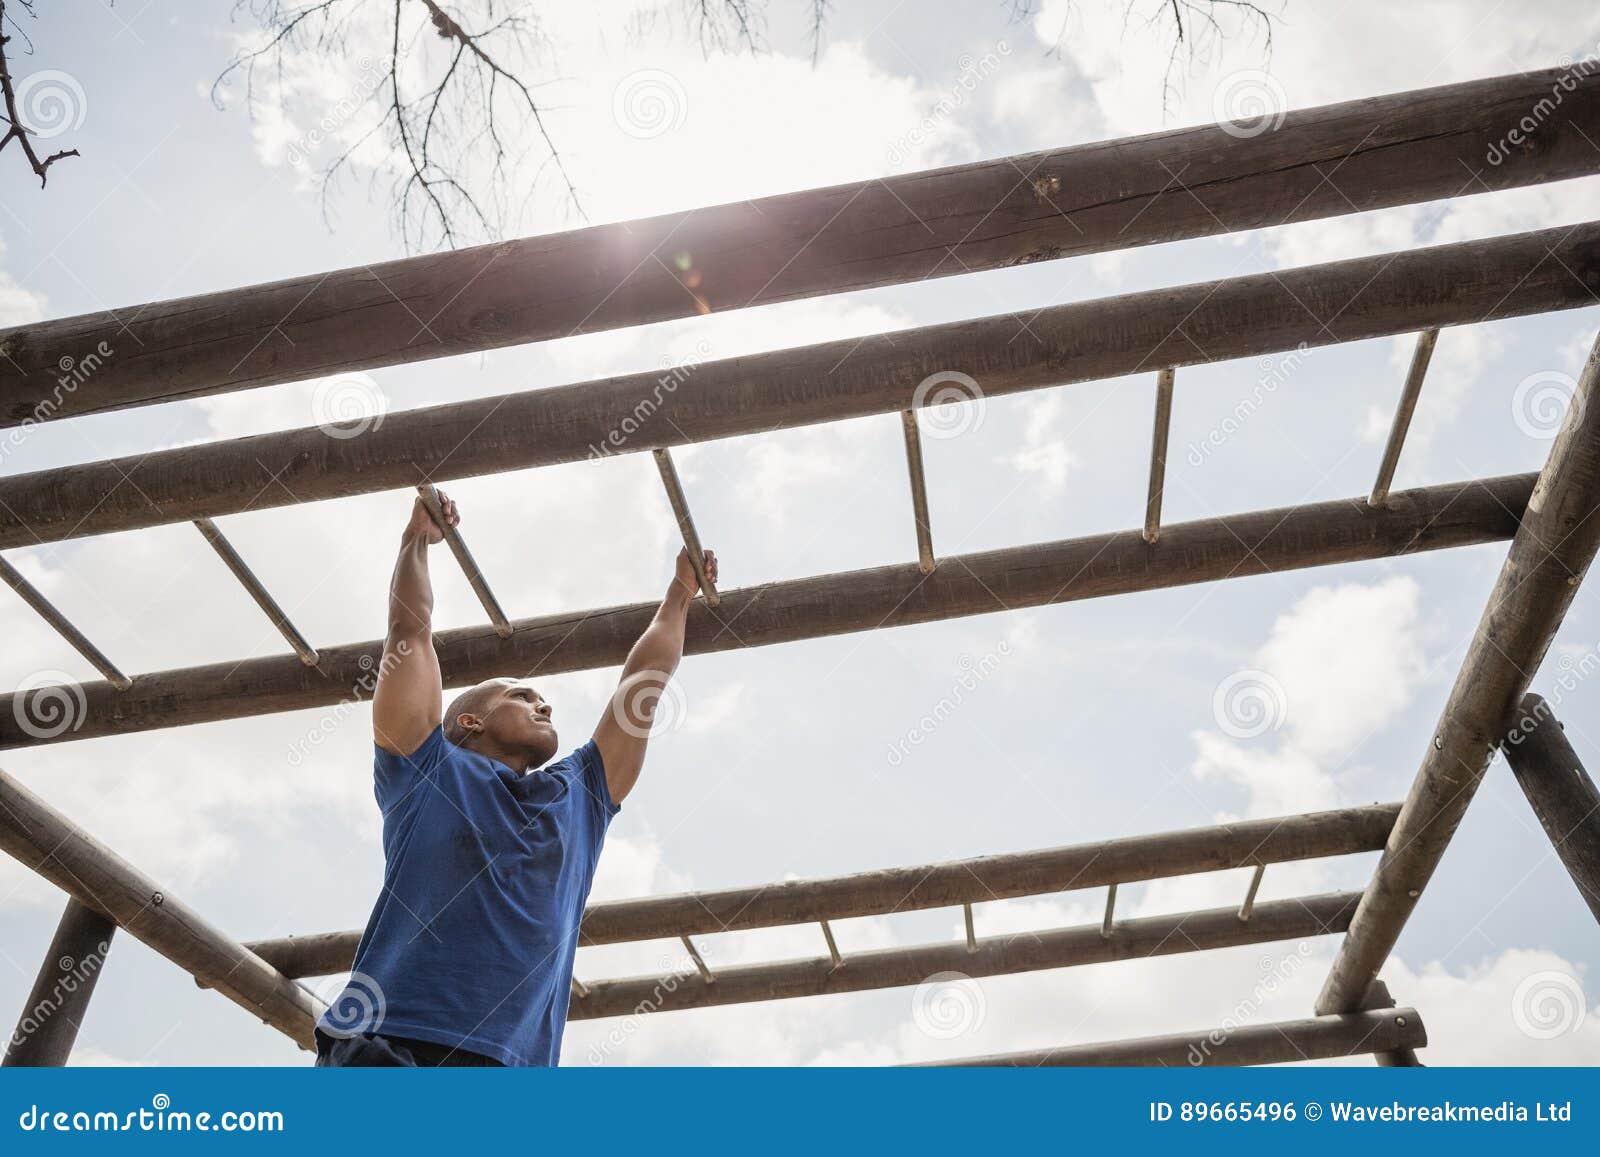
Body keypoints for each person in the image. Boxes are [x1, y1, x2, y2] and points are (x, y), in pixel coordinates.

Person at [315, 490, 717, 1067]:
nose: (543, 704)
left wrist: (680, 593)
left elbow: (646, 677)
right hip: (391, 1043)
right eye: (521, 696)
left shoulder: (580, 799)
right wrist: (416, 542)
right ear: (469, 719)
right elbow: (410, 631)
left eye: (544, 698)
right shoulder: (425, 771)